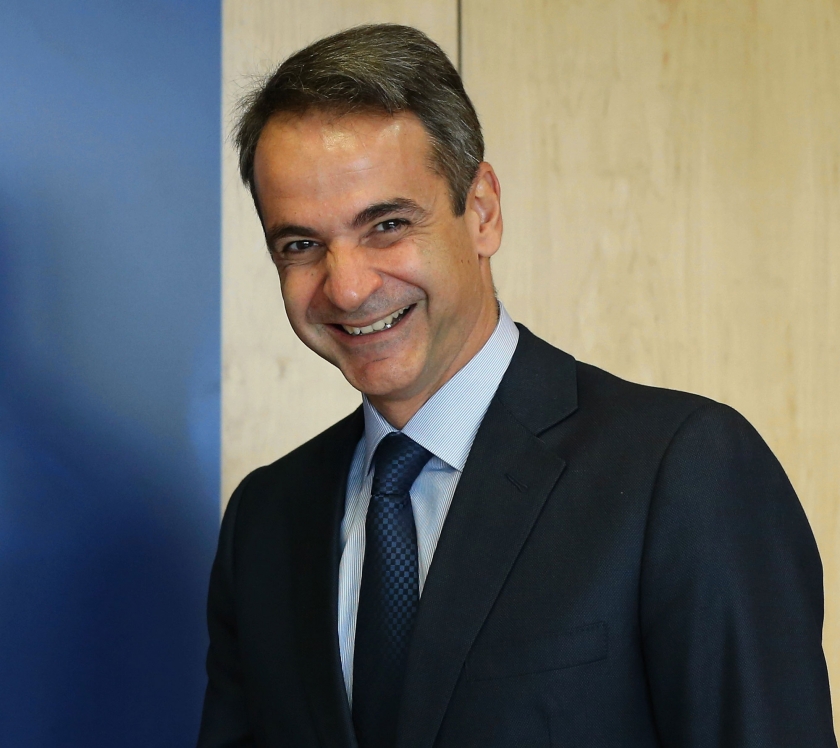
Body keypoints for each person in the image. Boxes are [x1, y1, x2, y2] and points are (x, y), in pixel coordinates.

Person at [197, 23, 836, 748]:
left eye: (387, 225)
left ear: (484, 212)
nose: (346, 287)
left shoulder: (683, 471)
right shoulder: (265, 521)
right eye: (302, 245)